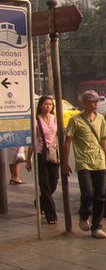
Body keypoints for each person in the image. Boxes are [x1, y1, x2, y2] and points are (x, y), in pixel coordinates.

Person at [63, 90, 106, 238]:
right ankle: (84, 216)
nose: (95, 104)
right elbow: (68, 141)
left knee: (101, 195)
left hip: (99, 161)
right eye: (92, 101)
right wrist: (64, 163)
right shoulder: (75, 120)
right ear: (83, 103)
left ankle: (96, 226)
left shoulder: (101, 119)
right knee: (87, 193)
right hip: (83, 162)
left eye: (97, 101)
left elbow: (104, 140)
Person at [26, 95, 60, 224]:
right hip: (41, 155)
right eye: (46, 104)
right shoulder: (36, 120)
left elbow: (59, 135)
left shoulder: (55, 119)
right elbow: (33, 141)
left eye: (50, 104)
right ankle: (51, 216)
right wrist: (29, 159)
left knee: (53, 183)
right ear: (40, 105)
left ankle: (39, 201)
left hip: (53, 154)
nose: (48, 106)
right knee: (44, 185)